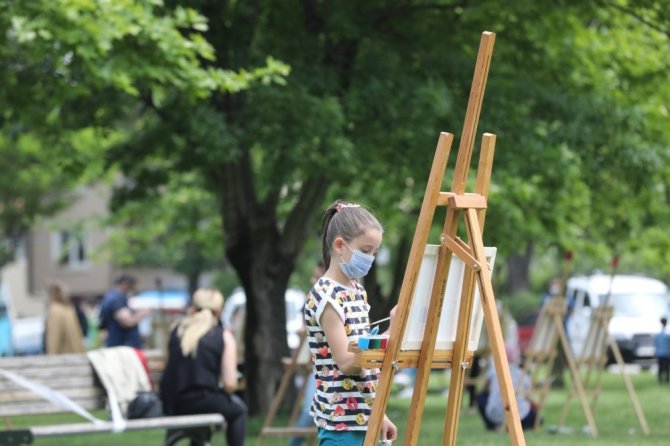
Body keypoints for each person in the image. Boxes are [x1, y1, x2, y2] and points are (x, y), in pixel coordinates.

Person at [304, 201, 397, 445]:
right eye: (365, 250)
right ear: (339, 245)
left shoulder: (356, 291)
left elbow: (365, 366)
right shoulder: (325, 296)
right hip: (340, 426)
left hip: (365, 421)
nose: (371, 258)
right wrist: (393, 332)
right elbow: (348, 362)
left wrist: (379, 414)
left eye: (374, 252)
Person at [160, 288, 247, 446]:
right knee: (238, 410)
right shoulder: (223, 336)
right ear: (219, 311)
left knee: (207, 412)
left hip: (172, 403)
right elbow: (230, 383)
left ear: (192, 307)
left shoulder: (176, 329)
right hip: (203, 401)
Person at [289, 261, 326, 446]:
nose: (313, 280)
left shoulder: (322, 297)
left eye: (317, 276)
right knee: (310, 410)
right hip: (315, 364)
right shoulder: (315, 297)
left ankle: (294, 443)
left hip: (320, 366)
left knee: (310, 410)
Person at [476, 343, 539, 431]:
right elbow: (531, 398)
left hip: (495, 416)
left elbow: (482, 390)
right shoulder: (522, 374)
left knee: (480, 396)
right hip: (519, 416)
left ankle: (492, 426)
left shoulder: (493, 372)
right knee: (530, 407)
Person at [99, 274, 150, 348]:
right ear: (126, 284)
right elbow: (128, 322)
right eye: (132, 286)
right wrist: (142, 313)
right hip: (123, 347)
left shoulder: (111, 297)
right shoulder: (116, 299)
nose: (133, 289)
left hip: (118, 344)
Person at [44, 280, 86, 354]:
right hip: (76, 353)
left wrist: (51, 357)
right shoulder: (68, 309)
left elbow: (54, 339)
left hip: (64, 356)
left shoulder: (55, 311)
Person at [654, 317, 670, 384]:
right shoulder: (667, 334)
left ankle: (660, 380)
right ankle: (666, 380)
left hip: (660, 353)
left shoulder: (658, 334)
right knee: (666, 368)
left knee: (660, 367)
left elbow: (656, 344)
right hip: (666, 353)